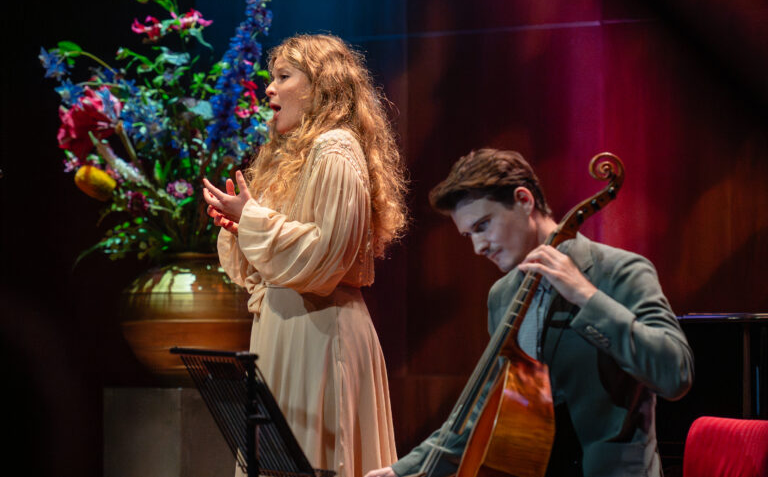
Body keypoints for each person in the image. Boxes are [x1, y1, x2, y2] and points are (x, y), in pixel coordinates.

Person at [365, 149, 693, 477]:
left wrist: (586, 297)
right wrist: (401, 472)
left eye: (483, 225)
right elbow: (482, 410)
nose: (478, 246)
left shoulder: (619, 271)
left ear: (524, 200)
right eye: (469, 235)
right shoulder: (502, 296)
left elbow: (674, 373)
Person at [202, 34, 407, 477]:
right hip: (283, 325)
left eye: (283, 77)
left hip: (318, 326)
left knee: (315, 457)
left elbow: (326, 254)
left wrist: (254, 221)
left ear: (319, 86)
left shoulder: (335, 148)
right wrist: (240, 227)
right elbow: (268, 260)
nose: (269, 89)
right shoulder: (290, 154)